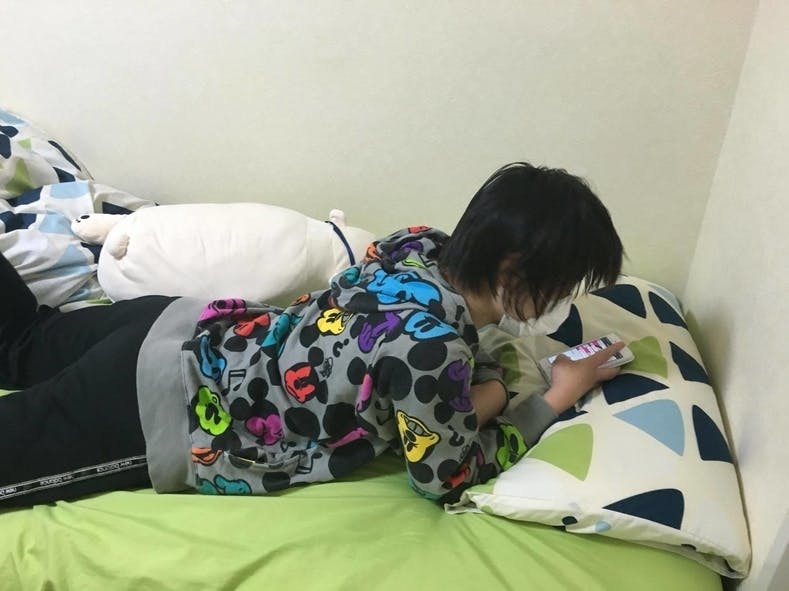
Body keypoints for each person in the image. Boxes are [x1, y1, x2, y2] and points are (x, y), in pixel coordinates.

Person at [0, 162, 624, 507]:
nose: (562, 301)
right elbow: (445, 475)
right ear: (514, 270)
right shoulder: (433, 350)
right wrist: (552, 396)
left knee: (22, 342)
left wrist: (483, 390)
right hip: (154, 403)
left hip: (177, 324)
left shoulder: (416, 246)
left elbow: (436, 368)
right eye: (561, 286)